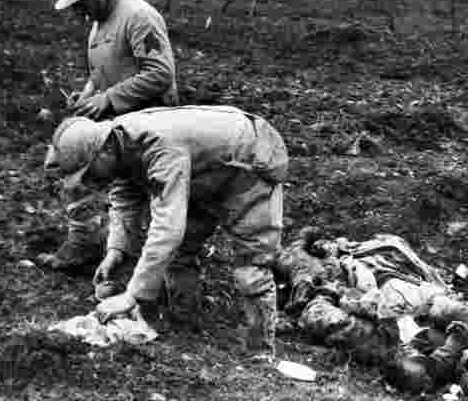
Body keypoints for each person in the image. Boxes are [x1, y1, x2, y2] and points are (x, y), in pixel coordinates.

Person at [42, 106, 288, 355]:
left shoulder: (159, 148)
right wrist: (116, 249)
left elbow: (168, 228)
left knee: (252, 267)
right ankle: (185, 329)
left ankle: (260, 353)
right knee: (179, 255)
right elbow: (124, 198)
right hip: (202, 170)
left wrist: (132, 295)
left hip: (248, 161)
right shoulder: (120, 143)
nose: (90, 180)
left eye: (89, 171)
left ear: (103, 149)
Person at [38, 0, 179, 271]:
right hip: (120, 123)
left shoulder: (139, 15)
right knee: (75, 166)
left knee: (153, 194)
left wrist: (108, 99)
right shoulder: (99, 24)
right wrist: (87, 96)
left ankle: (160, 264)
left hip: (152, 123)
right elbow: (102, 71)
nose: (78, 12)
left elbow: (160, 72)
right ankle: (89, 243)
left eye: (80, 4)